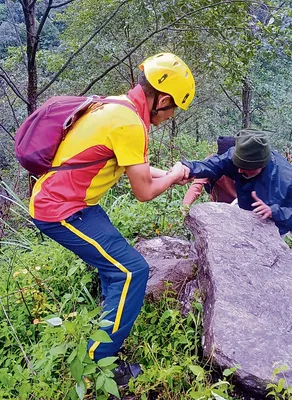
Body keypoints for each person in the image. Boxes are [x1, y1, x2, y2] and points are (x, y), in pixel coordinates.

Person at [29, 53, 195, 385]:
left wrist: (174, 175)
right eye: (174, 106)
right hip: (60, 210)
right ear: (162, 99)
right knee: (133, 271)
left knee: (116, 268)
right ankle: (98, 362)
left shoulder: (119, 106)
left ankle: (105, 327)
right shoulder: (131, 124)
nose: (172, 113)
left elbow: (137, 167)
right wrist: (174, 172)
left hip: (78, 204)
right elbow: (144, 191)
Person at [181, 129, 292, 235]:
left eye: (245, 168)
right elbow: (212, 165)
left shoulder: (286, 178)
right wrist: (187, 168)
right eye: (237, 165)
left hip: (273, 229)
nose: (238, 171)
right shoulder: (238, 156)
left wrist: (274, 211)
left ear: (259, 166)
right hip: (244, 211)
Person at [182, 136, 236, 206]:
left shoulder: (243, 162)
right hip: (218, 206)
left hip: (240, 204)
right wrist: (185, 207)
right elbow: (197, 185)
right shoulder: (211, 163)